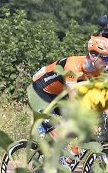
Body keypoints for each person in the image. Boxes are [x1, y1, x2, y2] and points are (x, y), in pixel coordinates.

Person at [27, 36, 108, 166]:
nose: (107, 62)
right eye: (105, 58)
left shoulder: (98, 71)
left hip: (58, 95)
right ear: (93, 56)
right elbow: (73, 96)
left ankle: (66, 160)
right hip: (39, 92)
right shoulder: (73, 65)